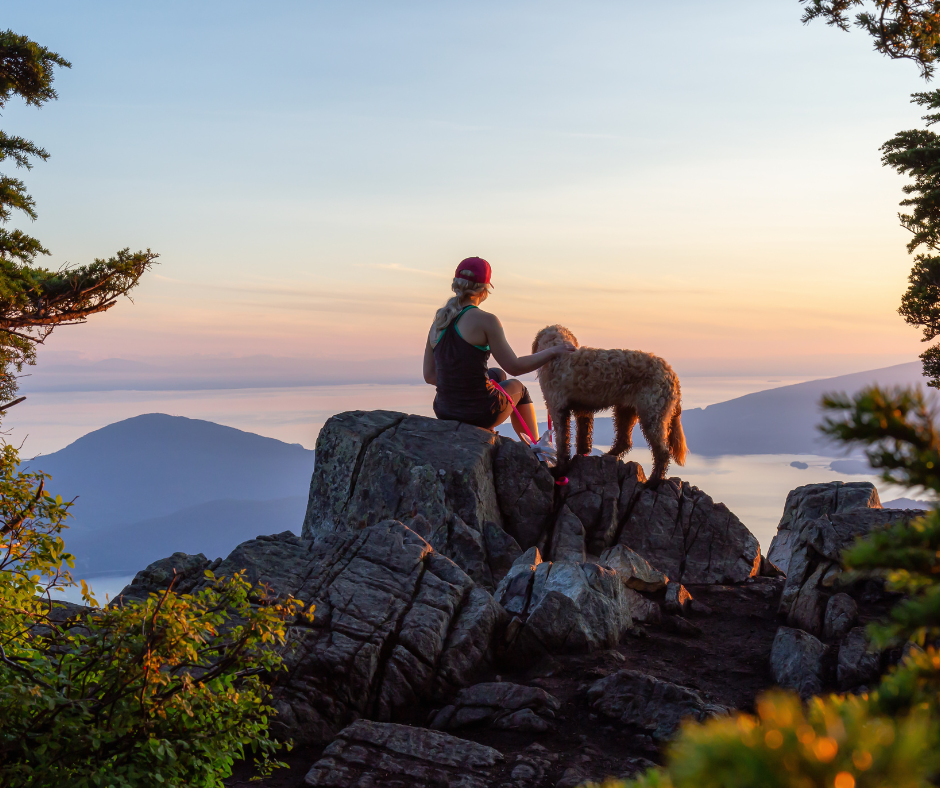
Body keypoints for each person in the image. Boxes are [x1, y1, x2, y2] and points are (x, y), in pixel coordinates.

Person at [423, 256, 575, 441]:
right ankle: (536, 451)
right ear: (484, 289)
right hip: (479, 413)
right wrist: (553, 351)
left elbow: (430, 375)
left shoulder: (439, 321)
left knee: (498, 374)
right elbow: (515, 367)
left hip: (444, 410)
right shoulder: (486, 320)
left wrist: (458, 386)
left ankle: (486, 434)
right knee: (520, 389)